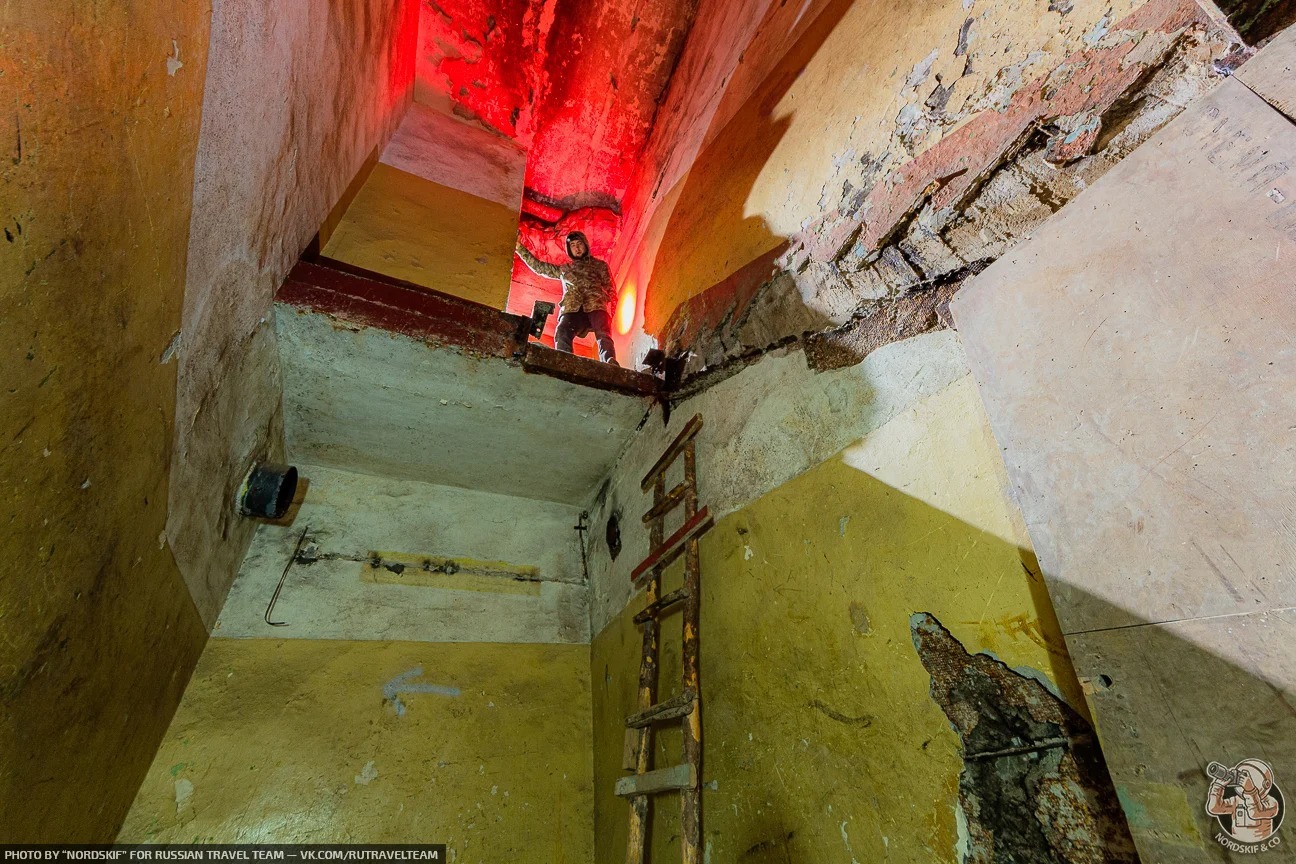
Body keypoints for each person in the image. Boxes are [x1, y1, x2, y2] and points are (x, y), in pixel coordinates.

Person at [515, 231, 619, 365]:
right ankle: (564, 361)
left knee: (604, 333)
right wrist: (519, 247)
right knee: (562, 332)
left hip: (596, 304)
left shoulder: (600, 265)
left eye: (579, 244)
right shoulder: (565, 269)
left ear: (585, 245)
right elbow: (539, 267)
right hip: (572, 308)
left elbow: (610, 287)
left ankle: (609, 361)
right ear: (569, 250)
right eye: (573, 245)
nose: (577, 248)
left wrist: (612, 310)